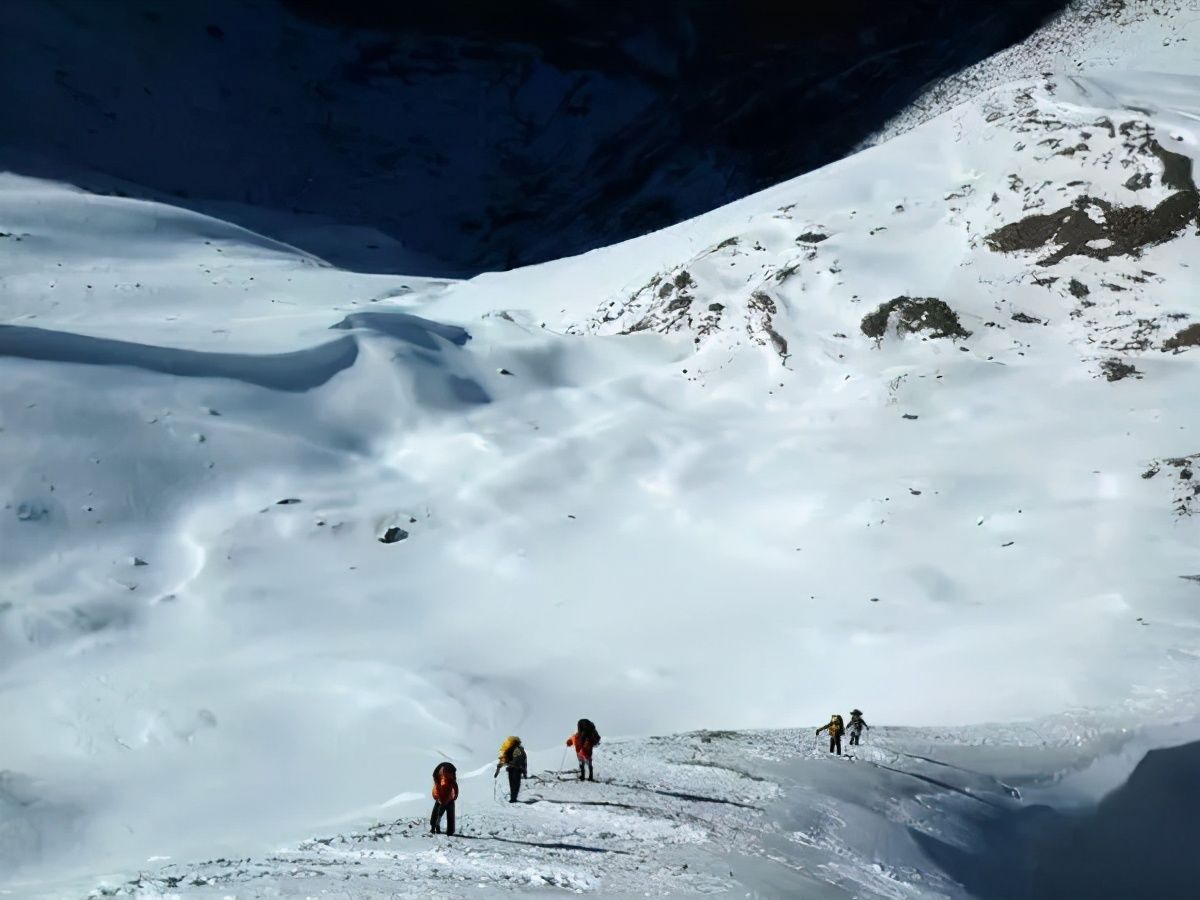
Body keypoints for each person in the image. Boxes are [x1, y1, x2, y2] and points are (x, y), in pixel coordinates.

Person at [494, 735, 528, 802]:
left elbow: (520, 760)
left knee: (514, 784)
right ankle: (513, 798)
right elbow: (504, 759)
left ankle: (513, 798)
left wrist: (524, 772)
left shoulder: (517, 749)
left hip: (516, 769)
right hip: (513, 769)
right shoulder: (511, 750)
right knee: (514, 784)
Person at [430, 761, 458, 835]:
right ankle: (449, 830)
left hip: (441, 798)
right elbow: (455, 787)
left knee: (436, 813)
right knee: (449, 813)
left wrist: (436, 797)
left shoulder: (438, 779)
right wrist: (455, 796)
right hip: (448, 799)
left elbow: (435, 790)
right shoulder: (450, 780)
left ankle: (434, 827)